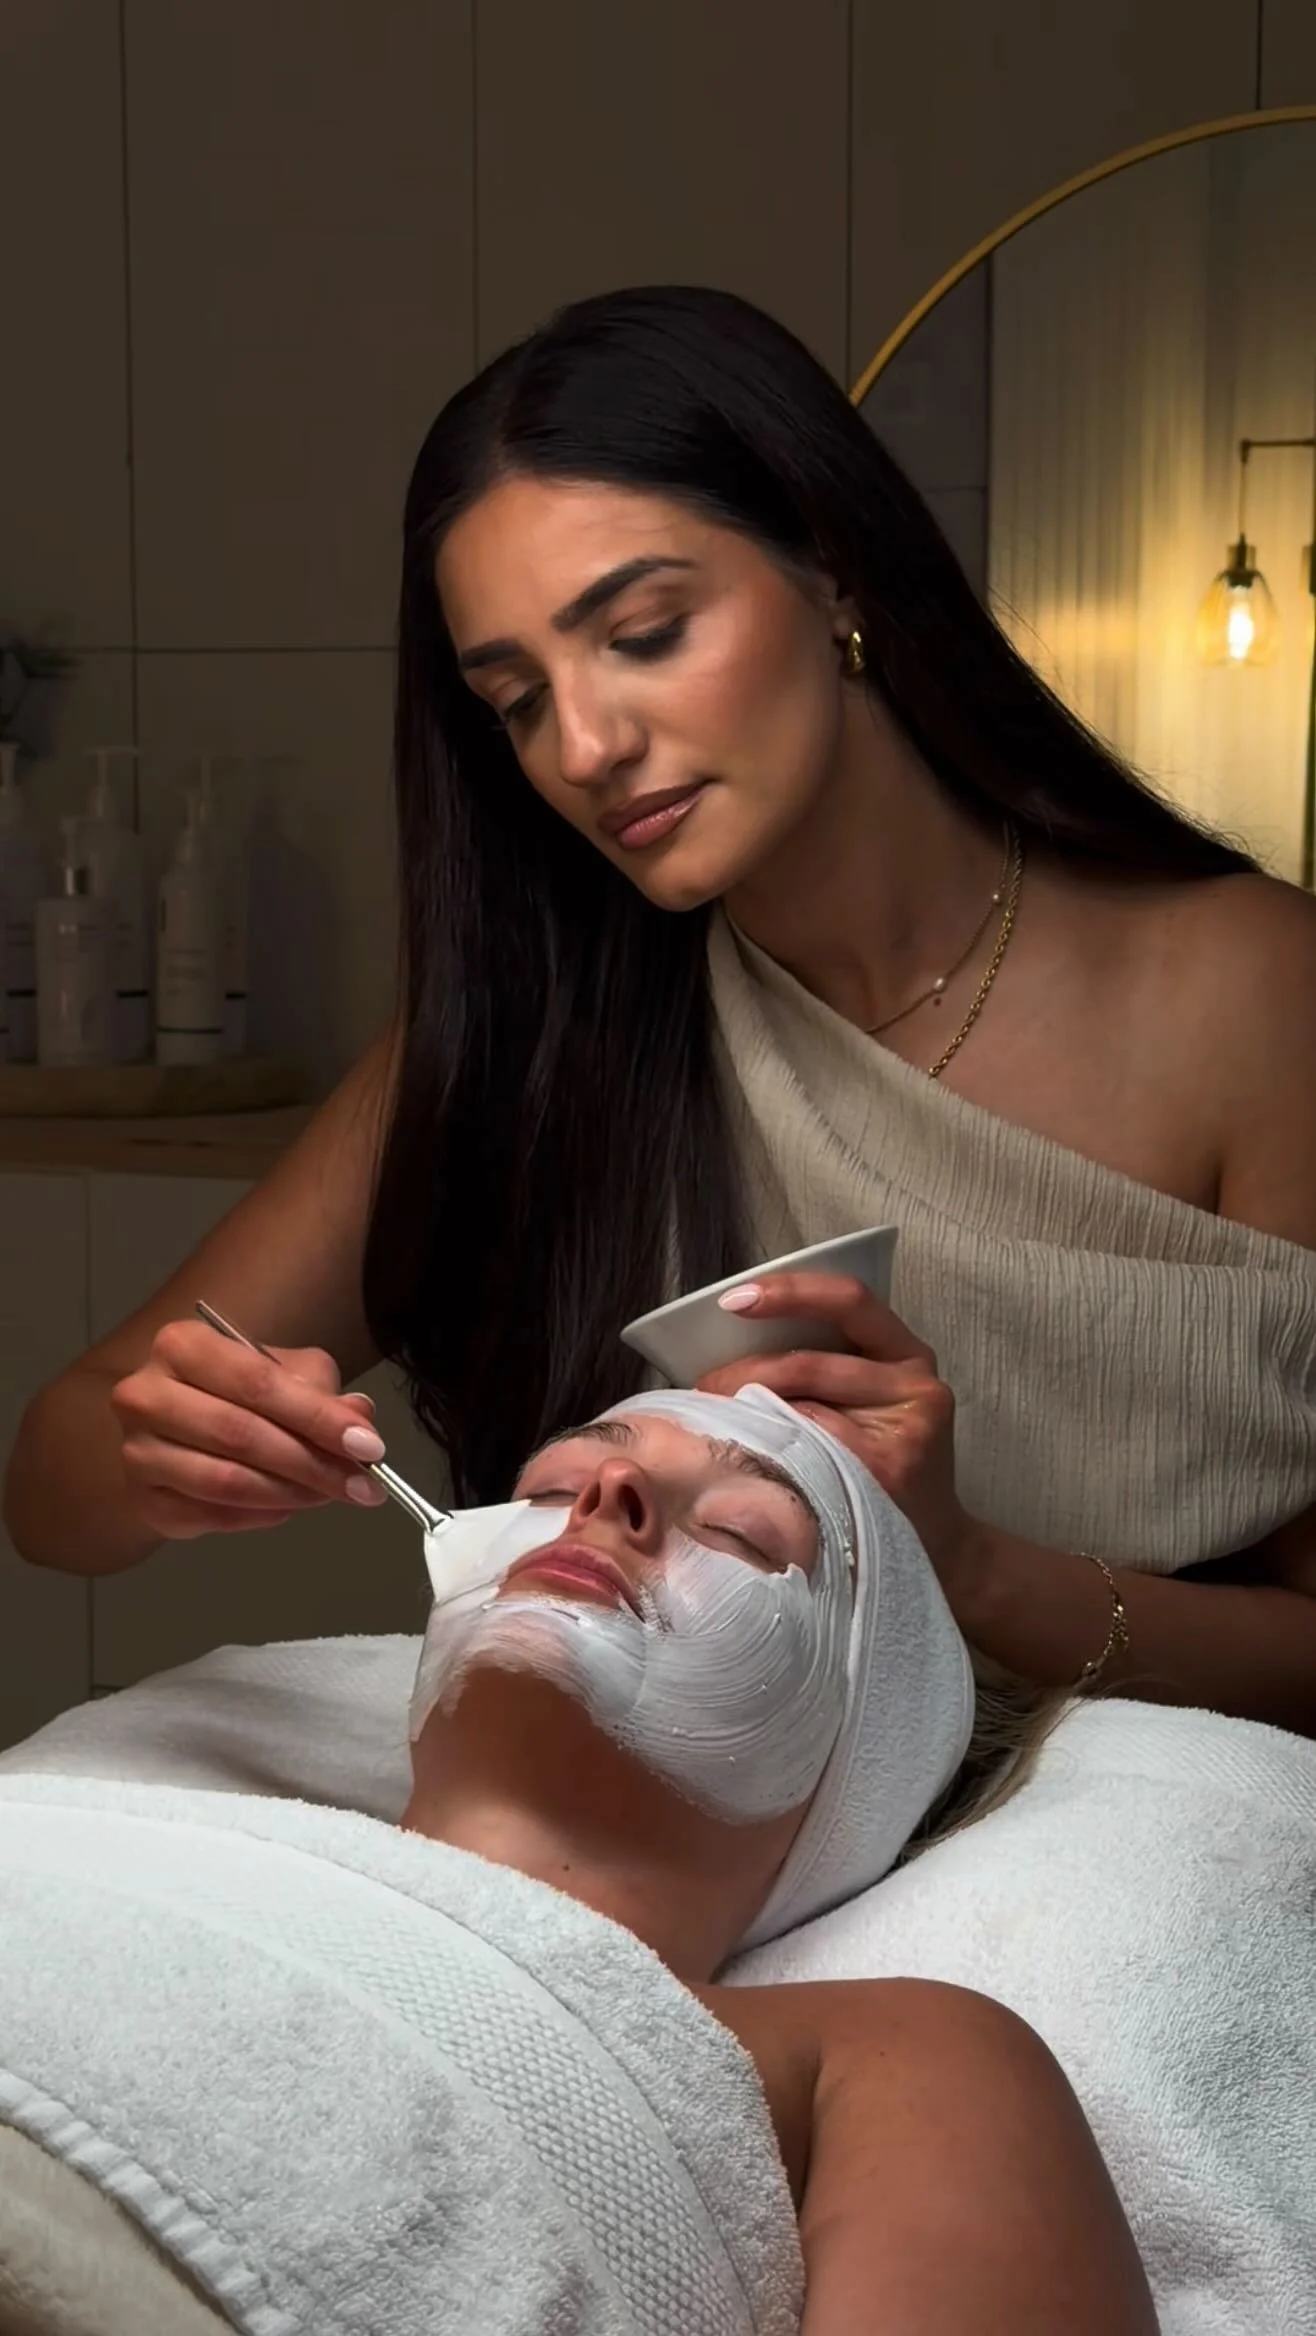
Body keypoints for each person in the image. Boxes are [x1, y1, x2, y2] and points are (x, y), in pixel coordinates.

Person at [5, 280, 1315, 1721]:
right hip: (667, 1824)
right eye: (515, 700)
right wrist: (164, 1462)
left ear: (833, 569)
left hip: (1140, 1826)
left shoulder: (1251, 997)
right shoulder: (533, 1031)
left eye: (642, 631)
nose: (583, 745)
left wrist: (966, 1565)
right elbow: (52, 1490)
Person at [0, 1387, 1158, 2334]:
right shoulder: (122, 1829)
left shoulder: (890, 2051)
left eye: (745, 1534)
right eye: (554, 1485)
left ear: (858, 1759)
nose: (605, 1493)